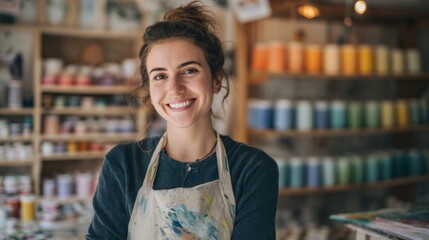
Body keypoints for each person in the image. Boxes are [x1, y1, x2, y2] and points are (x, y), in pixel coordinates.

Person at [86, 1, 278, 239]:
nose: (174, 88)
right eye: (160, 76)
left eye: (189, 70)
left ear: (216, 80)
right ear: (149, 88)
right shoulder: (123, 165)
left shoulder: (253, 169)